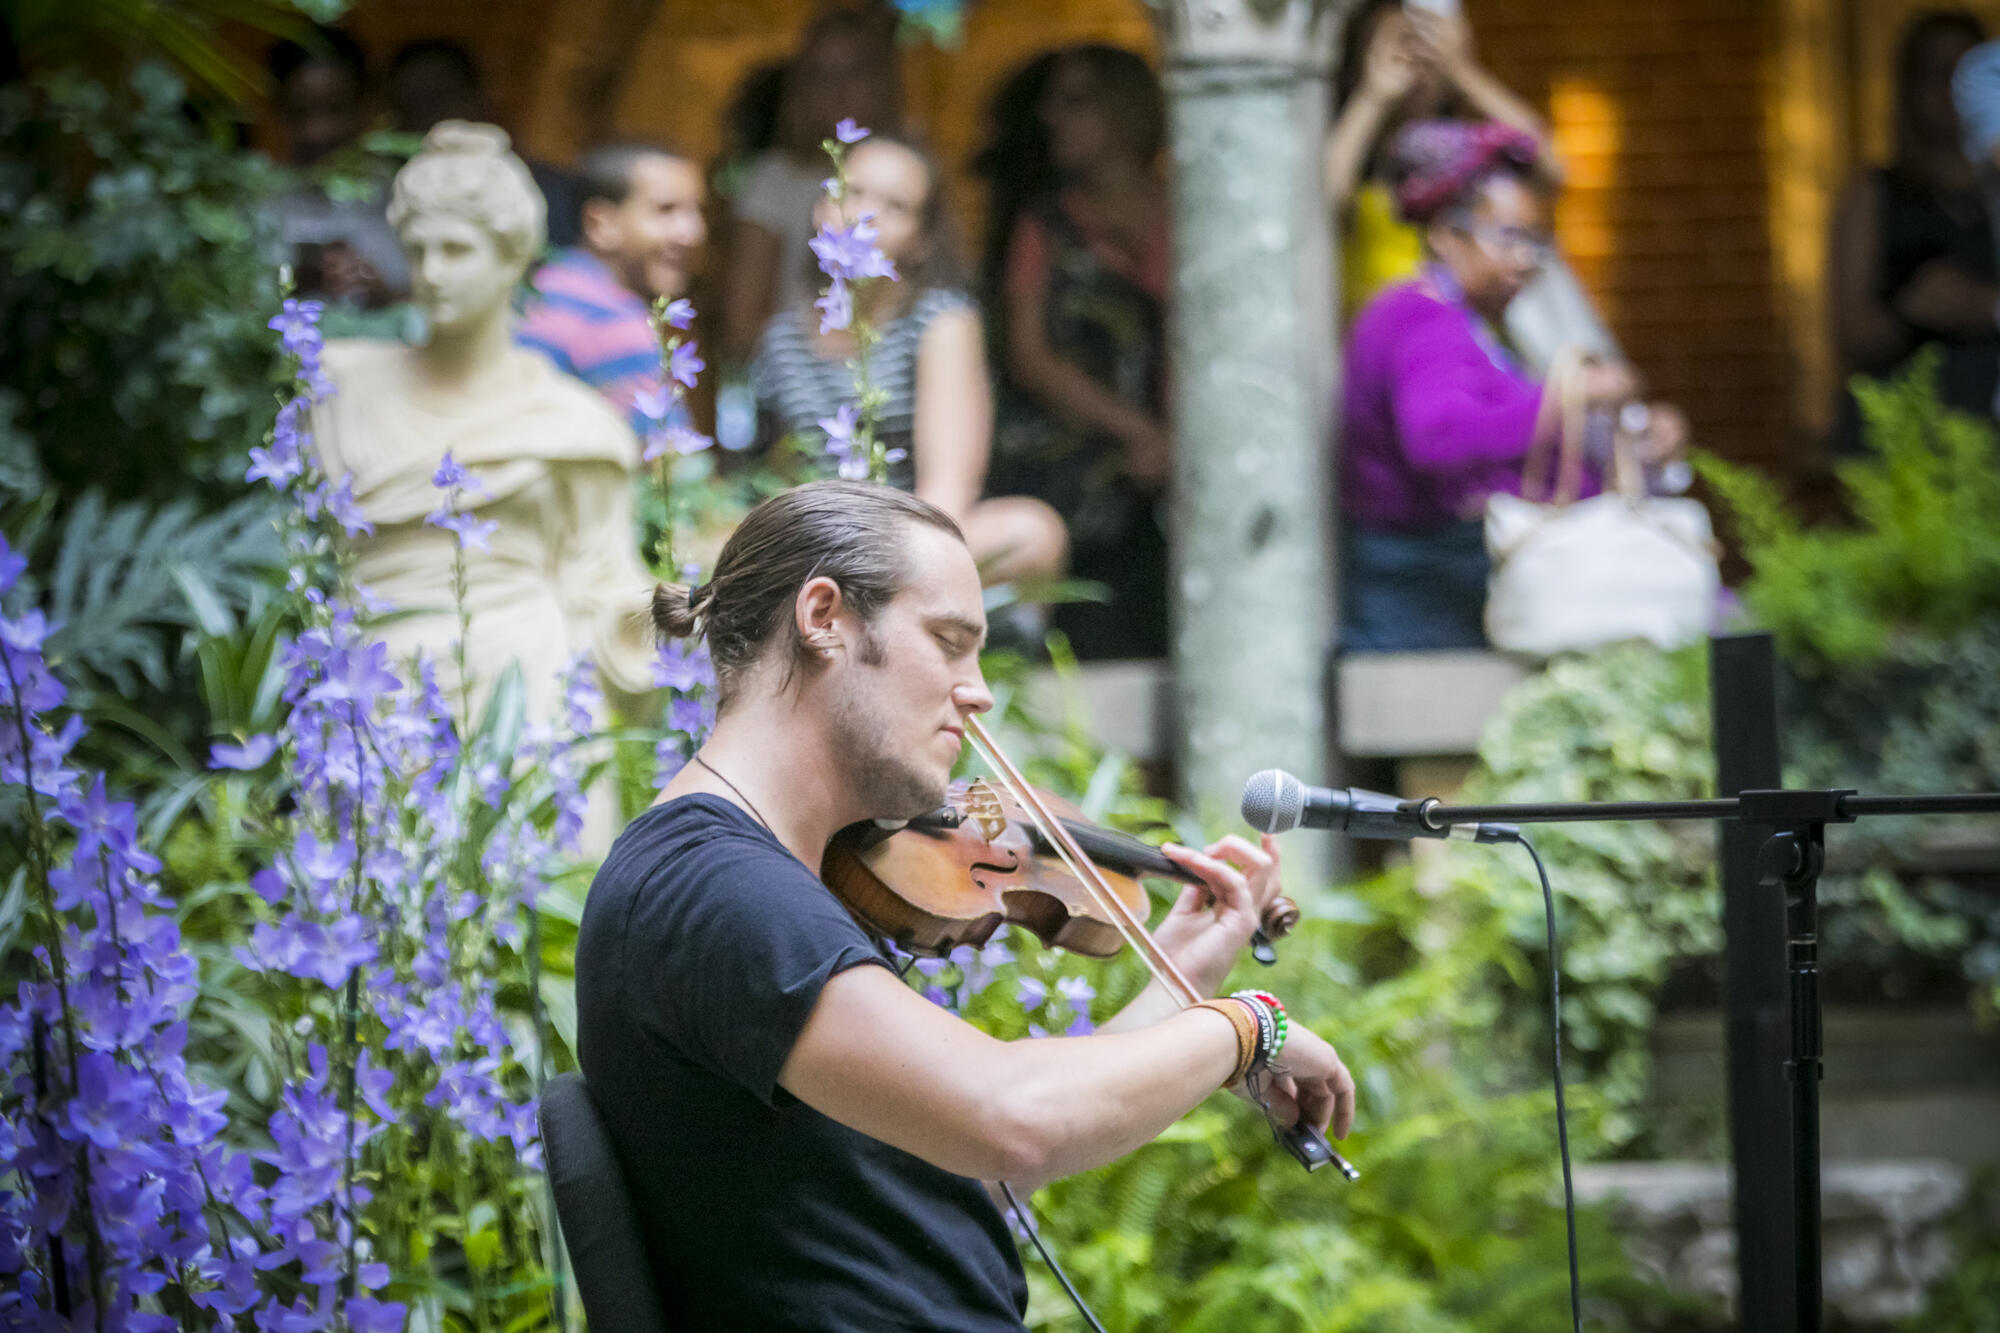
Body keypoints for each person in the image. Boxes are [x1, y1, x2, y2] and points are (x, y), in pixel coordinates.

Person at [574, 480, 1357, 1329]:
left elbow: (960, 1163)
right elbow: (1009, 1118)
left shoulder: (756, 882)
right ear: (824, 616)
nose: (977, 690)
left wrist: (1187, 973)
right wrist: (1245, 1027)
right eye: (949, 642)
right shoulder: (716, 888)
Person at [313, 122, 656, 850]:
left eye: (457, 250)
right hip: (377, 682)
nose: (433, 272)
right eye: (418, 250)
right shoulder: (338, 388)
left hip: (526, 680)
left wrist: (685, 623)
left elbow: (604, 582)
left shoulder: (572, 424)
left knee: (545, 930)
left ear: (512, 259)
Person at [1339, 120, 1684, 653]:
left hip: (1434, 582)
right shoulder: (1421, 319)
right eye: (1507, 237)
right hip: (1422, 599)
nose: (1525, 261)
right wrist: (1570, 397)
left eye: (1536, 242)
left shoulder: (1462, 320)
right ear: (1445, 235)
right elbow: (1440, 437)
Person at [749, 134, 1067, 587]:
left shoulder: (943, 322)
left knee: (1031, 533)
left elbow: (948, 493)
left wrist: (878, 565)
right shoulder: (780, 337)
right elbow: (781, 480)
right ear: (821, 211)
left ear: (921, 242)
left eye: (895, 207)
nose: (865, 217)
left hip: (915, 540)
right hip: (813, 547)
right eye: (852, 194)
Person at [985, 45, 1173, 660]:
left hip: (1174, 477)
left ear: (1125, 111)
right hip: (1067, 473)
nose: (1050, 116)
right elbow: (1030, 357)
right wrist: (1140, 433)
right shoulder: (1044, 225)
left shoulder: (1191, 213)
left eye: (1074, 101)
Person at [1832, 10, 1999, 451]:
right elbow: (1850, 334)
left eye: (1966, 72)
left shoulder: (1995, 191)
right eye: (1935, 73)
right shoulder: (1875, 194)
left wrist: (1987, 306)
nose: (1950, 90)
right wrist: (1916, 311)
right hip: (1901, 437)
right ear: (1909, 86)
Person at [720, 6, 905, 366]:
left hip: (896, 374)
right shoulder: (774, 181)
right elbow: (743, 325)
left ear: (883, 81)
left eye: (856, 72)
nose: (839, 91)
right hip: (801, 381)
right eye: (821, 76)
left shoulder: (911, 173)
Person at [516, 143, 709, 435]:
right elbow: (672, 468)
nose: (693, 233)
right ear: (600, 224)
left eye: (696, 210)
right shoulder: (612, 320)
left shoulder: (537, 288)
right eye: (666, 210)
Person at [385, 38, 582, 248]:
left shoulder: (547, 192)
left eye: (438, 98)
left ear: (477, 100)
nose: (425, 118)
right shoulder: (385, 193)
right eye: (409, 105)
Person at [266, 27, 410, 310]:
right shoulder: (255, 196)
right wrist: (288, 284)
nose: (316, 131)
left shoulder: (404, 194)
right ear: (277, 107)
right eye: (300, 112)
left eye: (336, 110)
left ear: (366, 104)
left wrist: (385, 297)